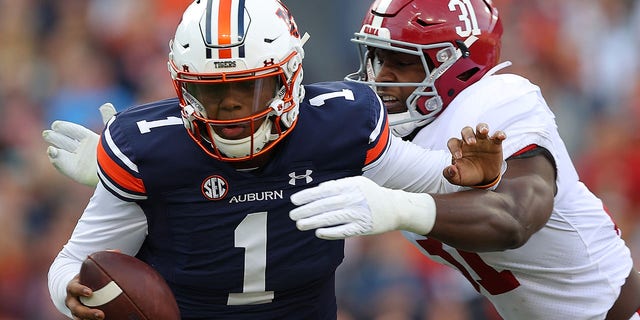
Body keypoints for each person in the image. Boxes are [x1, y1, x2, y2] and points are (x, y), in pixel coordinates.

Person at [43, 0, 507, 319]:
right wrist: (73, 296)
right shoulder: (148, 150)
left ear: (290, 78)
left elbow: (439, 182)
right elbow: (70, 264)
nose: (229, 111)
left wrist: (479, 174)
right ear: (182, 87)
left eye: (248, 89)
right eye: (211, 93)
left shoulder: (341, 124)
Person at [289, 0, 640, 319]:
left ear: (457, 66)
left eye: (404, 62)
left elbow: (515, 220)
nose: (381, 78)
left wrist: (398, 207)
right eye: (377, 58)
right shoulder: (386, 132)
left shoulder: (498, 103)